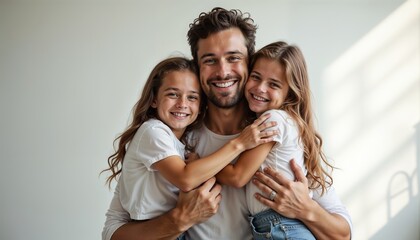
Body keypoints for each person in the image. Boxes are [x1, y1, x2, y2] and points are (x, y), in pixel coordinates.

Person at [102, 7, 352, 240]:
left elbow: (343, 233)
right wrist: (177, 220)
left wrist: (306, 209)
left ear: (249, 62)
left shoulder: (273, 134)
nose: (223, 71)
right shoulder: (176, 141)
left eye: (233, 58)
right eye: (210, 60)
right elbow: (113, 230)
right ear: (197, 67)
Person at [102, 56, 277, 238]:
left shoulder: (181, 145)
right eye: (172, 94)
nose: (182, 104)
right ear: (154, 99)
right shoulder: (152, 131)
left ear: (201, 106)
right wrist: (240, 143)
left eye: (192, 97)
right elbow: (185, 178)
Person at [215, 41, 338, 239]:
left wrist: (198, 163)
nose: (260, 88)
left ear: (290, 92)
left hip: (282, 228)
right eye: (256, 77)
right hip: (275, 228)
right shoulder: (285, 122)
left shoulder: (273, 120)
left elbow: (237, 177)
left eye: (273, 84)